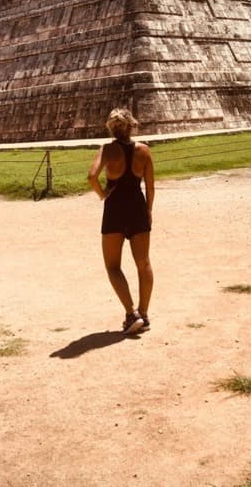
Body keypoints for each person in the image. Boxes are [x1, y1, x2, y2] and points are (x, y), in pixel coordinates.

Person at [88, 108, 154, 334]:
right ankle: (144, 315)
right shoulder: (144, 150)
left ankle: (130, 313)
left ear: (112, 127)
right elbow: (150, 186)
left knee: (112, 266)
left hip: (114, 209)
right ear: (131, 125)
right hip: (137, 207)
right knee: (143, 263)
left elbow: (91, 176)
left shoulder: (107, 149)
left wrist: (102, 194)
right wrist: (149, 210)